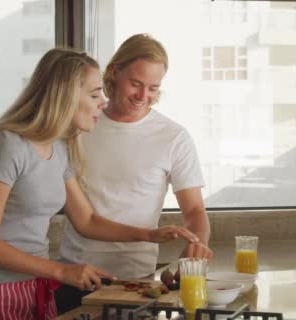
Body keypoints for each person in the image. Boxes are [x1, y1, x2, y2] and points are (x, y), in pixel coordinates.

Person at [0, 47, 200, 320]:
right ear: (65, 95)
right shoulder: (8, 145)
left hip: (37, 286)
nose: (102, 102)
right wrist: (62, 271)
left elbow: (86, 220)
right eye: (95, 94)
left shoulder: (59, 148)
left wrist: (149, 234)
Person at [56, 34, 214, 313]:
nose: (144, 97)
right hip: (76, 276)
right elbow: (84, 218)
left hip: (136, 282)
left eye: (154, 88)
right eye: (136, 84)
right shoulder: (80, 123)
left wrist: (197, 244)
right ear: (114, 72)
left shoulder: (174, 137)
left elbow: (195, 211)